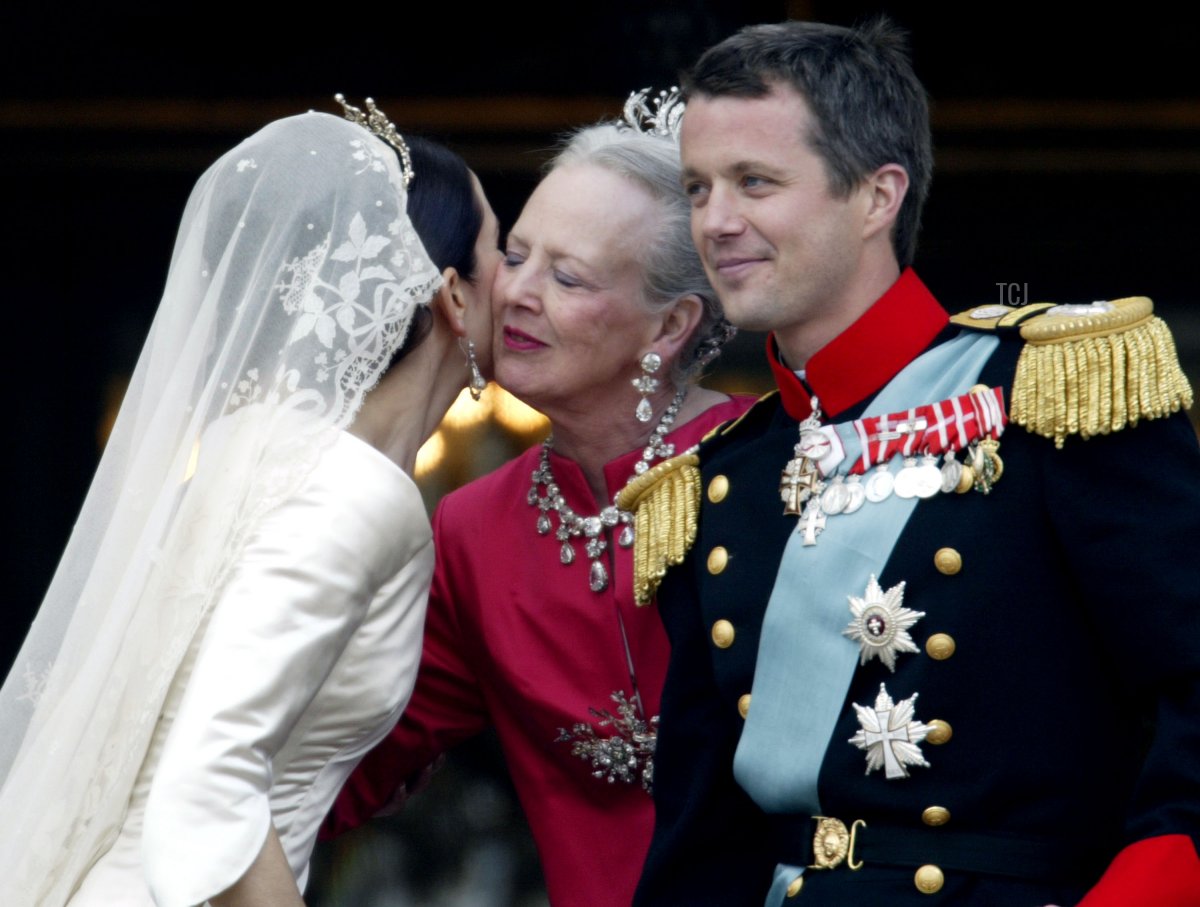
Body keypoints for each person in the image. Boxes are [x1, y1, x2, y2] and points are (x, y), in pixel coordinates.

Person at [633, 19, 1200, 907]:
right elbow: (704, 838)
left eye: (755, 183)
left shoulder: (1053, 397)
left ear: (876, 196)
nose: (716, 221)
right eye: (698, 187)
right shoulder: (726, 479)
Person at [0, 100, 501, 906]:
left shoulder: (255, 449)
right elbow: (208, 784)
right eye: (502, 252)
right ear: (452, 294)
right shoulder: (362, 491)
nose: (525, 281)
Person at [323, 108, 754, 907]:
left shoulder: (772, 471)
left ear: (669, 325)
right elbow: (353, 757)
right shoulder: (471, 525)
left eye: (567, 276)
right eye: (515, 255)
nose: (515, 292)